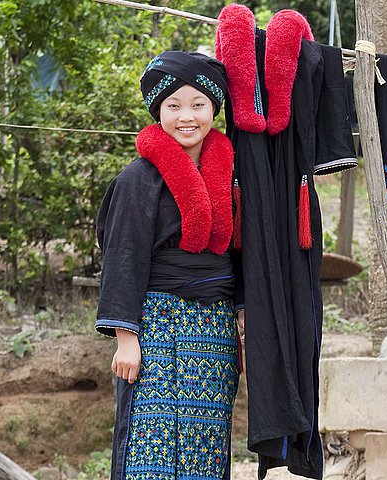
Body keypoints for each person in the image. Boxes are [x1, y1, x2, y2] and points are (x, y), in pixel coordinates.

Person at [94, 50, 243, 480]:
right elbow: (122, 257)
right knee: (149, 446)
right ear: (157, 110)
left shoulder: (231, 177)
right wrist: (125, 338)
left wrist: (245, 322)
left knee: (206, 448)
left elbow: (242, 255)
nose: (187, 117)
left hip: (213, 333)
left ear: (214, 108)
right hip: (155, 328)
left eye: (198, 105)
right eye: (173, 106)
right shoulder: (136, 181)